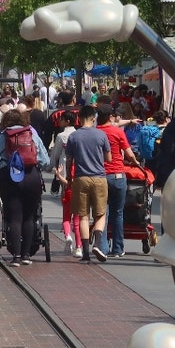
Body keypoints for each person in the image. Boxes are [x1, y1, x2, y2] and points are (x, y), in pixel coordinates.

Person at [0, 109, 51, 266]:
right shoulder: (32, 134)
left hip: (10, 177)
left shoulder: (1, 137)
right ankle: (26, 255)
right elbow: (45, 161)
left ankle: (16, 256)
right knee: (30, 216)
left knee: (14, 216)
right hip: (31, 176)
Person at [64, 105, 111, 263]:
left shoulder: (74, 137)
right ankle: (97, 243)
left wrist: (69, 179)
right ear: (94, 118)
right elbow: (108, 158)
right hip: (99, 178)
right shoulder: (101, 135)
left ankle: (85, 253)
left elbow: (69, 160)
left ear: (79, 118)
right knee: (101, 214)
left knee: (83, 216)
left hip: (80, 178)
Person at [96, 104, 139, 258]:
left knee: (102, 213)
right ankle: (118, 248)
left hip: (100, 176)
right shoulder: (117, 132)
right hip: (117, 175)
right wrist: (135, 162)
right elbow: (129, 153)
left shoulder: (95, 132)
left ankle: (102, 247)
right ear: (110, 117)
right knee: (118, 213)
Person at [50, 111, 82, 257]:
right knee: (78, 216)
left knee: (67, 212)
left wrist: (52, 168)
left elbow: (56, 154)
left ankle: (68, 236)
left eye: (62, 119)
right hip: (79, 174)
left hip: (65, 173)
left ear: (67, 121)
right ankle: (79, 246)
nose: (60, 122)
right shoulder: (79, 135)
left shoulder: (61, 136)